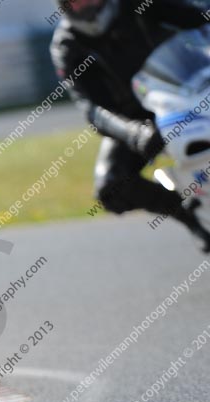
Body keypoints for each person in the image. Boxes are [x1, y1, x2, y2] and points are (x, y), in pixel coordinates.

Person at [50, 0, 210, 250]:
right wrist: (135, 133)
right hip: (137, 119)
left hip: (186, 94)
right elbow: (92, 109)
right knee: (111, 188)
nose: (84, 4)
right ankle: (195, 218)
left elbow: (199, 18)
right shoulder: (67, 45)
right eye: (75, 1)